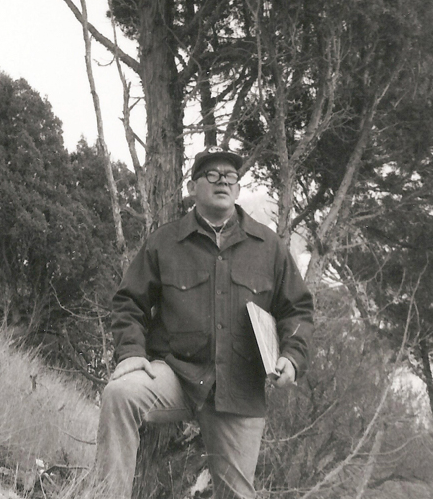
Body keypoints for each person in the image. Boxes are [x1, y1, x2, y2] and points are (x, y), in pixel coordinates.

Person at [92, 146, 315, 499]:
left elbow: (298, 310)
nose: (222, 181)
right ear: (193, 188)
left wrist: (291, 357)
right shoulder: (165, 241)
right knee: (120, 395)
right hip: (176, 373)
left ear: (239, 189)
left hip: (238, 388)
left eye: (229, 176)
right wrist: (131, 352)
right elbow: (129, 301)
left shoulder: (269, 247)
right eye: (211, 175)